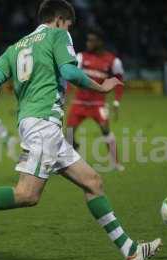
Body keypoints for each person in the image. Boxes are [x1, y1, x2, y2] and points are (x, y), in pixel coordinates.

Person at [0, 0, 161, 260]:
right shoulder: (58, 34)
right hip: (43, 125)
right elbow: (69, 71)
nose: (70, 32)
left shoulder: (16, 47)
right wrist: (102, 87)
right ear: (59, 20)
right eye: (69, 26)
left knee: (93, 182)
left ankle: (130, 251)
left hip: (38, 124)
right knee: (27, 194)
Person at [67, 27, 125, 171]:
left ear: (100, 42)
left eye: (92, 40)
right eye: (88, 40)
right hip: (79, 102)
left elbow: (119, 81)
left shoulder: (113, 61)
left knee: (106, 130)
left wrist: (116, 101)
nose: (88, 43)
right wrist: (65, 96)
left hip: (99, 104)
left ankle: (115, 163)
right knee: (68, 132)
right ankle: (70, 161)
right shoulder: (81, 57)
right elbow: (70, 77)